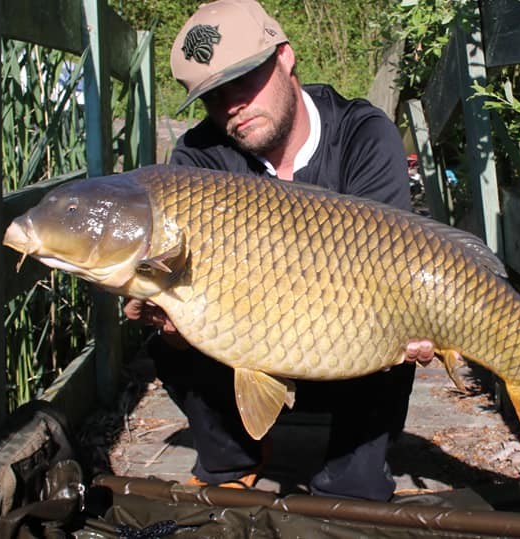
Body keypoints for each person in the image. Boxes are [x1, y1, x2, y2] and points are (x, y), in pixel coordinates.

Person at [123, 0, 434, 501]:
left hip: (351, 351)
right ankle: (234, 452)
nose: (232, 105)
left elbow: (395, 268)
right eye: (212, 96)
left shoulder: (363, 135)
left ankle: (350, 473)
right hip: (246, 343)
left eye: (243, 81)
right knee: (165, 327)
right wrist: (176, 325)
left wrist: (414, 321)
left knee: (391, 335)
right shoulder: (197, 161)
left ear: (285, 57)